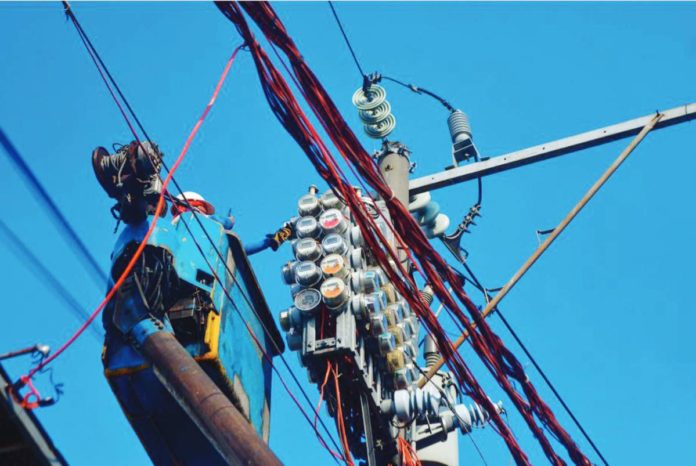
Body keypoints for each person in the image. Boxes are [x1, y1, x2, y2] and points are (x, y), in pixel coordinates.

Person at [170, 191, 293, 256]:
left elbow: (239, 251)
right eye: (202, 207)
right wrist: (230, 220)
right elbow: (223, 222)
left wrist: (267, 243)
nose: (204, 212)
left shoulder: (172, 228)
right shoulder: (195, 219)